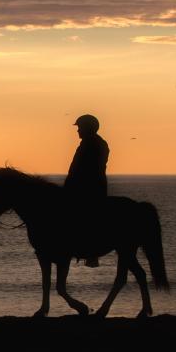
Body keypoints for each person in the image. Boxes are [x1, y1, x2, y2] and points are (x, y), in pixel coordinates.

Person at [64, 113, 110, 266]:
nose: (78, 131)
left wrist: (69, 185)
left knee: (80, 216)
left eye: (80, 128)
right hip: (91, 186)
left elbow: (79, 169)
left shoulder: (91, 144)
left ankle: (90, 252)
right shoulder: (96, 143)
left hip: (89, 189)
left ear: (87, 128)